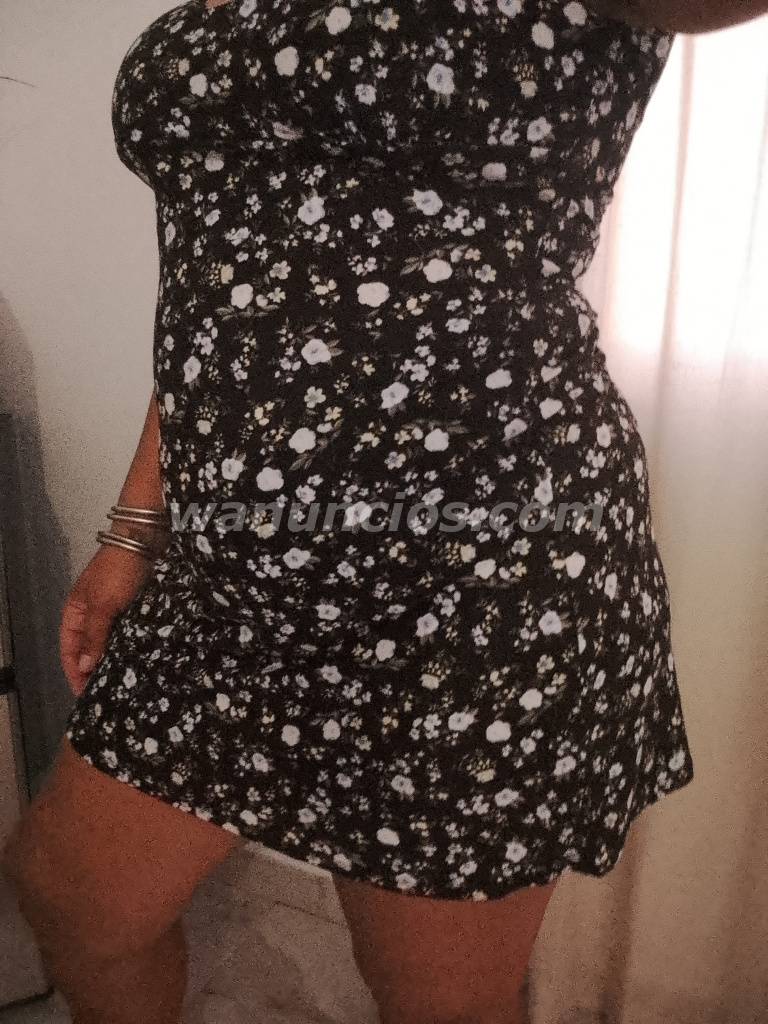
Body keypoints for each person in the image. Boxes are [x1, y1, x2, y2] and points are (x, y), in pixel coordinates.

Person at [8, 0, 759, 1019]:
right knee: (73, 896)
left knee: (438, 1001)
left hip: (470, 581)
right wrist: (136, 525)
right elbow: (226, 275)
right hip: (228, 576)